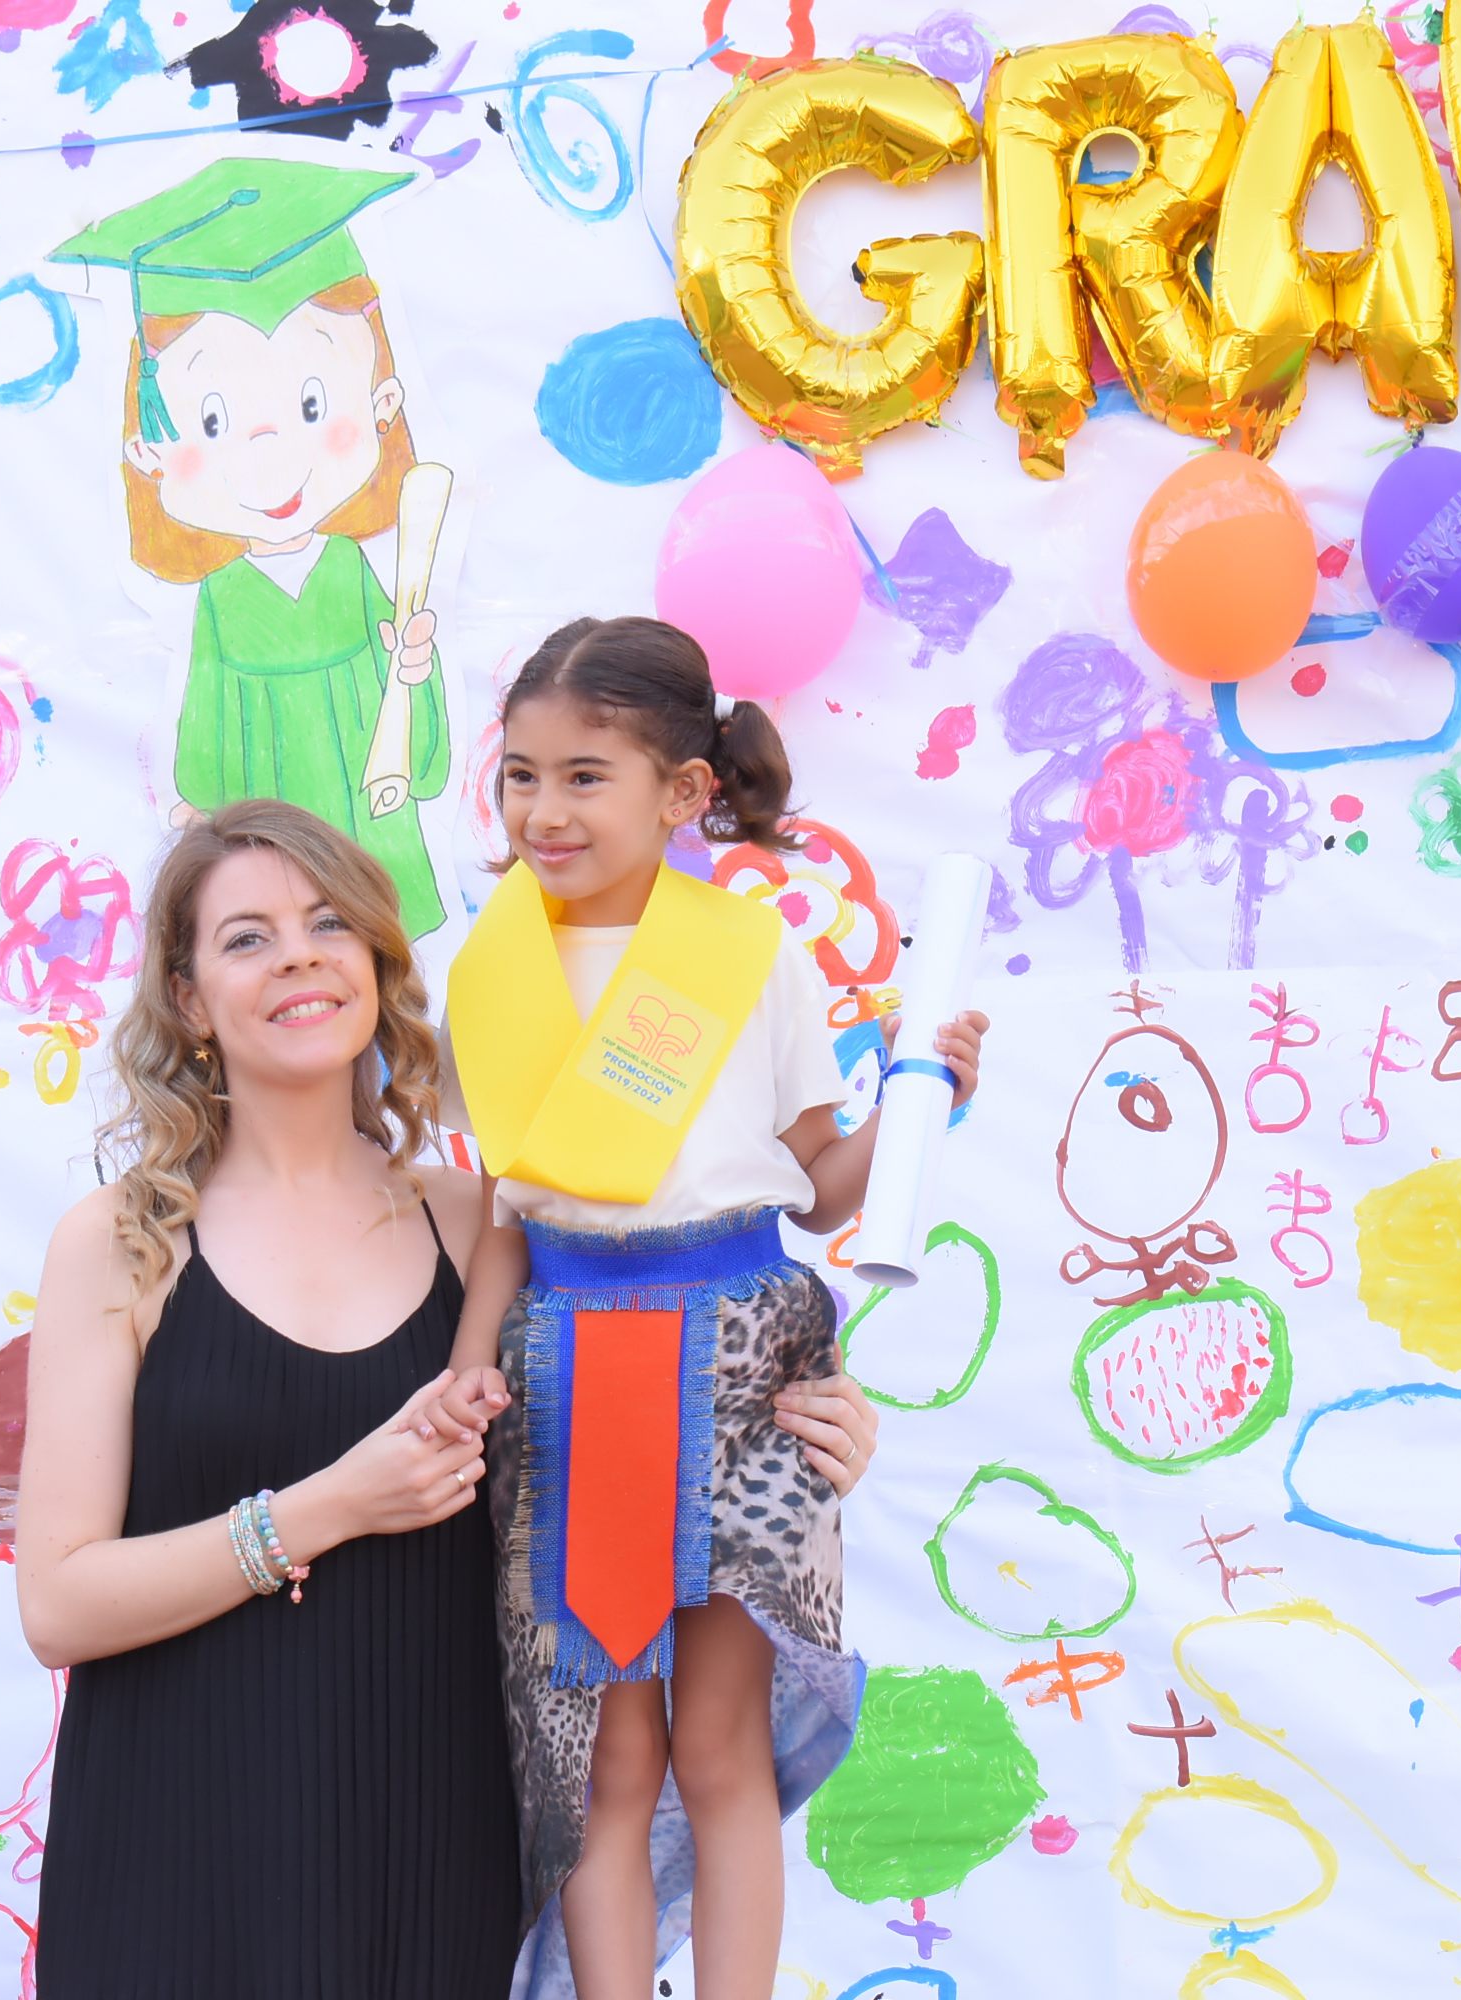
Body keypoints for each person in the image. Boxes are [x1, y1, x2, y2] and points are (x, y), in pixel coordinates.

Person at [16, 800, 881, 1997]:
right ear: (185, 995)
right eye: (247, 937)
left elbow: (654, 1428)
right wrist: (323, 1507)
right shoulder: (119, 1243)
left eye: (329, 923)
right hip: (180, 1851)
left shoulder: (490, 1225)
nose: (301, 955)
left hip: (436, 1847)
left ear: (377, 964)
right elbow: (58, 1601)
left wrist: (807, 1432)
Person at [436, 616, 988, 2000]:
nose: (542, 811)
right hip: (568, 1374)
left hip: (746, 1362)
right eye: (520, 775)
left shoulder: (753, 958)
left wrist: (926, 1097)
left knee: (721, 1744)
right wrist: (464, 1372)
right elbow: (509, 1204)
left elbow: (814, 1187)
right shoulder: (488, 967)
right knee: (607, 1755)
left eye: (583, 776)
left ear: (683, 792)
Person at [52, 156, 456, 934]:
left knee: (388, 960)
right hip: (281, 857)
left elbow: (410, 725)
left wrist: (414, 671)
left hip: (376, 840)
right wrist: (201, 799)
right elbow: (207, 735)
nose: (269, 454)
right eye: (211, 422)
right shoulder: (223, 600)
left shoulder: (356, 570)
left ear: (383, 403)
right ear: (149, 453)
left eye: (313, 403)